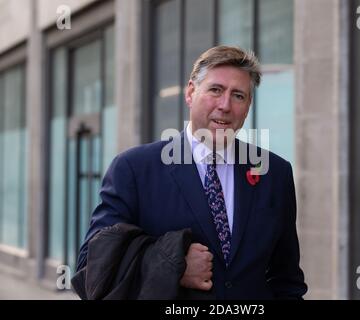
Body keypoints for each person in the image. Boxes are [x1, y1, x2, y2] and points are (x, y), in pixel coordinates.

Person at [76, 45, 307, 299]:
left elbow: (286, 279)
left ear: (249, 104)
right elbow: (92, 269)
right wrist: (171, 265)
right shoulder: (134, 169)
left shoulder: (274, 174)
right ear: (190, 92)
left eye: (238, 95)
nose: (225, 105)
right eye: (215, 90)